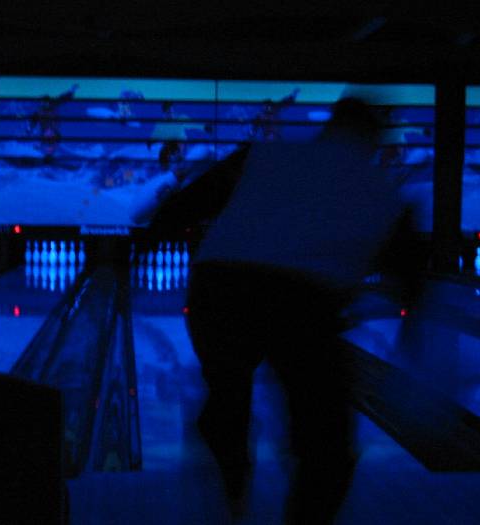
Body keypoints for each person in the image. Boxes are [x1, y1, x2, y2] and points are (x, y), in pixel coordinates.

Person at [148, 97, 422, 523]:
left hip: (217, 288)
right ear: (372, 139)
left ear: (328, 128)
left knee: (227, 391)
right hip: (303, 305)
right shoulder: (386, 194)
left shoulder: (262, 154)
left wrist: (122, 255)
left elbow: (176, 210)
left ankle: (228, 452)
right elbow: (415, 289)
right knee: (327, 448)